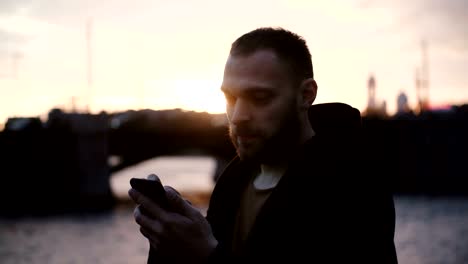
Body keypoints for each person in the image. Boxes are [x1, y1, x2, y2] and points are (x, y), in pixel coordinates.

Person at [128, 27, 398, 263]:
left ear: (306, 95)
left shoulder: (353, 184)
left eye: (259, 97)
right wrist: (169, 247)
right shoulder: (232, 181)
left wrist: (207, 255)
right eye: (230, 98)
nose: (237, 117)